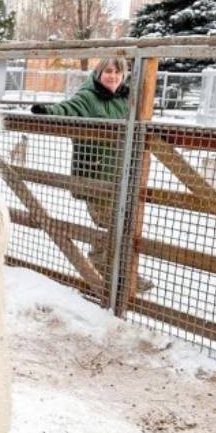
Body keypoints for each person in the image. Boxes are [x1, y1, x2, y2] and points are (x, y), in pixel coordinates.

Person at [31, 57, 153, 293]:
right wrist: (47, 111)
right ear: (98, 74)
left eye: (118, 73)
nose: (113, 77)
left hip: (121, 177)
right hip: (95, 176)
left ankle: (122, 275)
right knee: (112, 225)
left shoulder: (126, 99)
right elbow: (67, 109)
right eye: (108, 72)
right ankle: (111, 275)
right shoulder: (88, 97)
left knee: (125, 226)